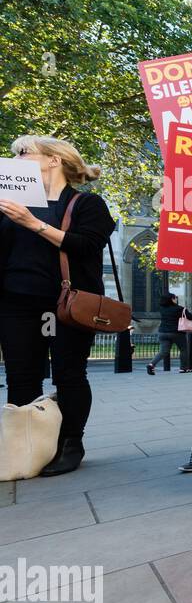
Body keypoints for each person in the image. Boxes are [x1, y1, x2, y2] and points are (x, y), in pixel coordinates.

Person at [0, 136, 115, 475]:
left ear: (53, 160)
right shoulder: (9, 205)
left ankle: (69, 443)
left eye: (23, 152)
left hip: (64, 304)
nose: (15, 158)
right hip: (16, 301)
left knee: (68, 373)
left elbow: (86, 245)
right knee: (21, 376)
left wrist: (32, 223)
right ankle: (29, 447)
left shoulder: (85, 204)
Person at [147, 293, 192, 375]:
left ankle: (151, 364)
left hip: (162, 332)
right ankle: (183, 368)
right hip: (176, 333)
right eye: (175, 298)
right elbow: (191, 317)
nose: (176, 299)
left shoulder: (162, 308)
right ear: (172, 299)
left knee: (163, 351)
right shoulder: (180, 308)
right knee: (183, 349)